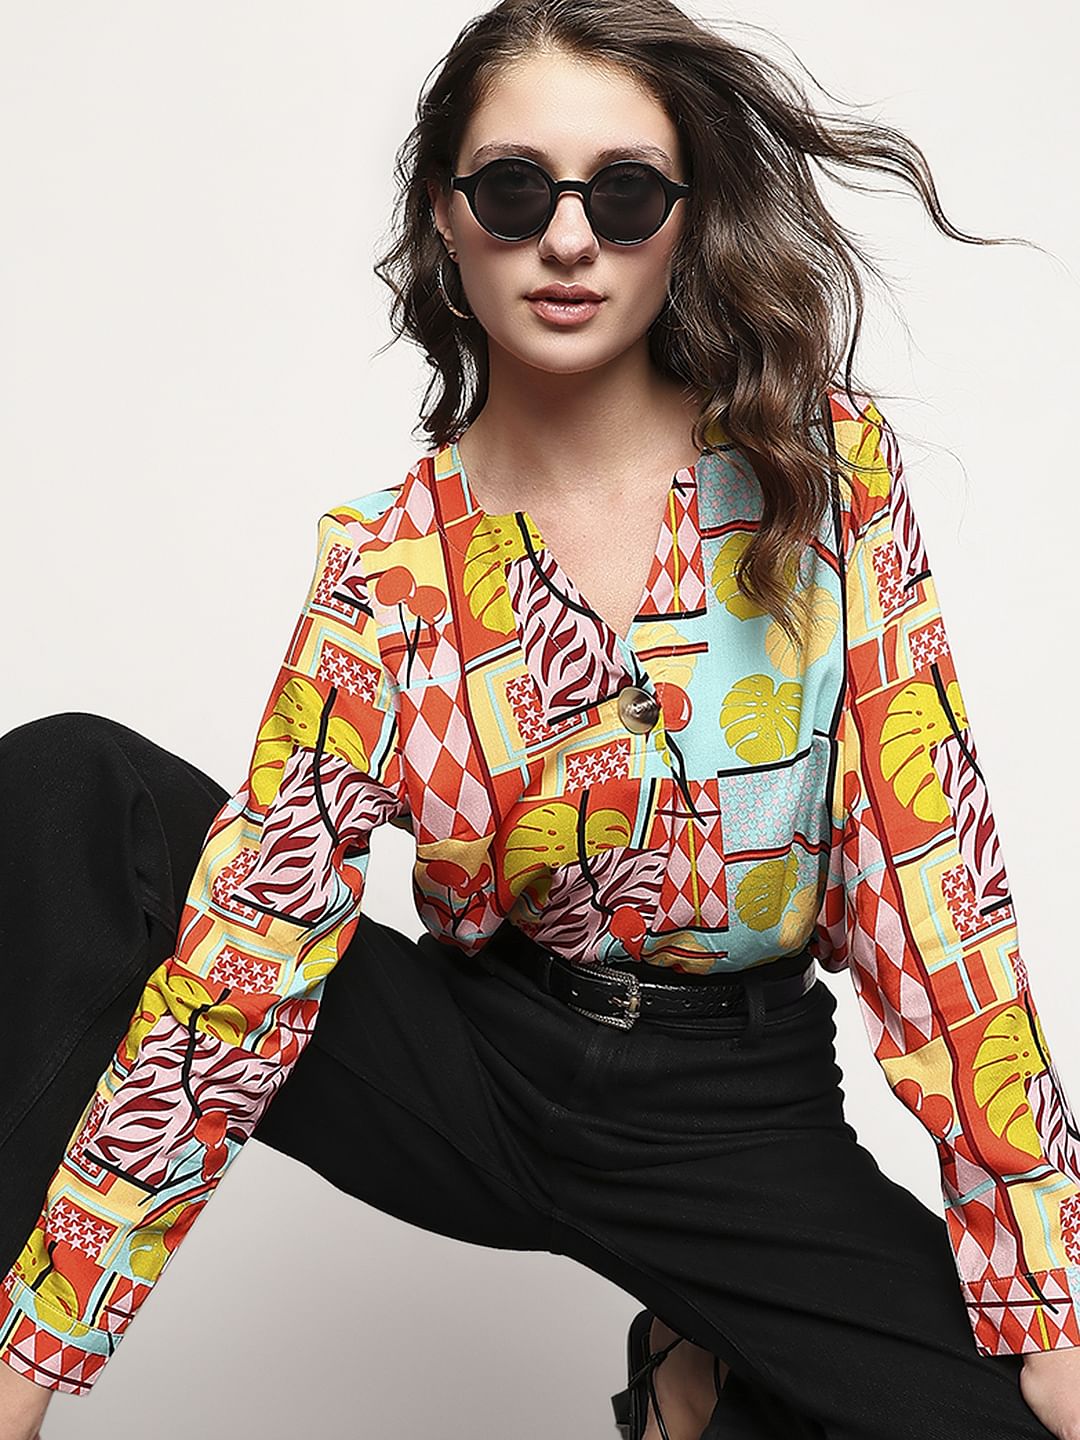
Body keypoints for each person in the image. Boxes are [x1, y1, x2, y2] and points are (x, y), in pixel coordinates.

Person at [2, 3, 1079, 1438]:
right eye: (516, 189)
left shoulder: (825, 478)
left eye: (623, 194)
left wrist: (1049, 1288)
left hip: (732, 1108)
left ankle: (697, 1367)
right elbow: (248, 957)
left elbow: (932, 889)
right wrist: (32, 1365)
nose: (569, 238)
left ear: (683, 225)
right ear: (447, 219)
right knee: (73, 788)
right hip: (483, 1078)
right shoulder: (387, 570)